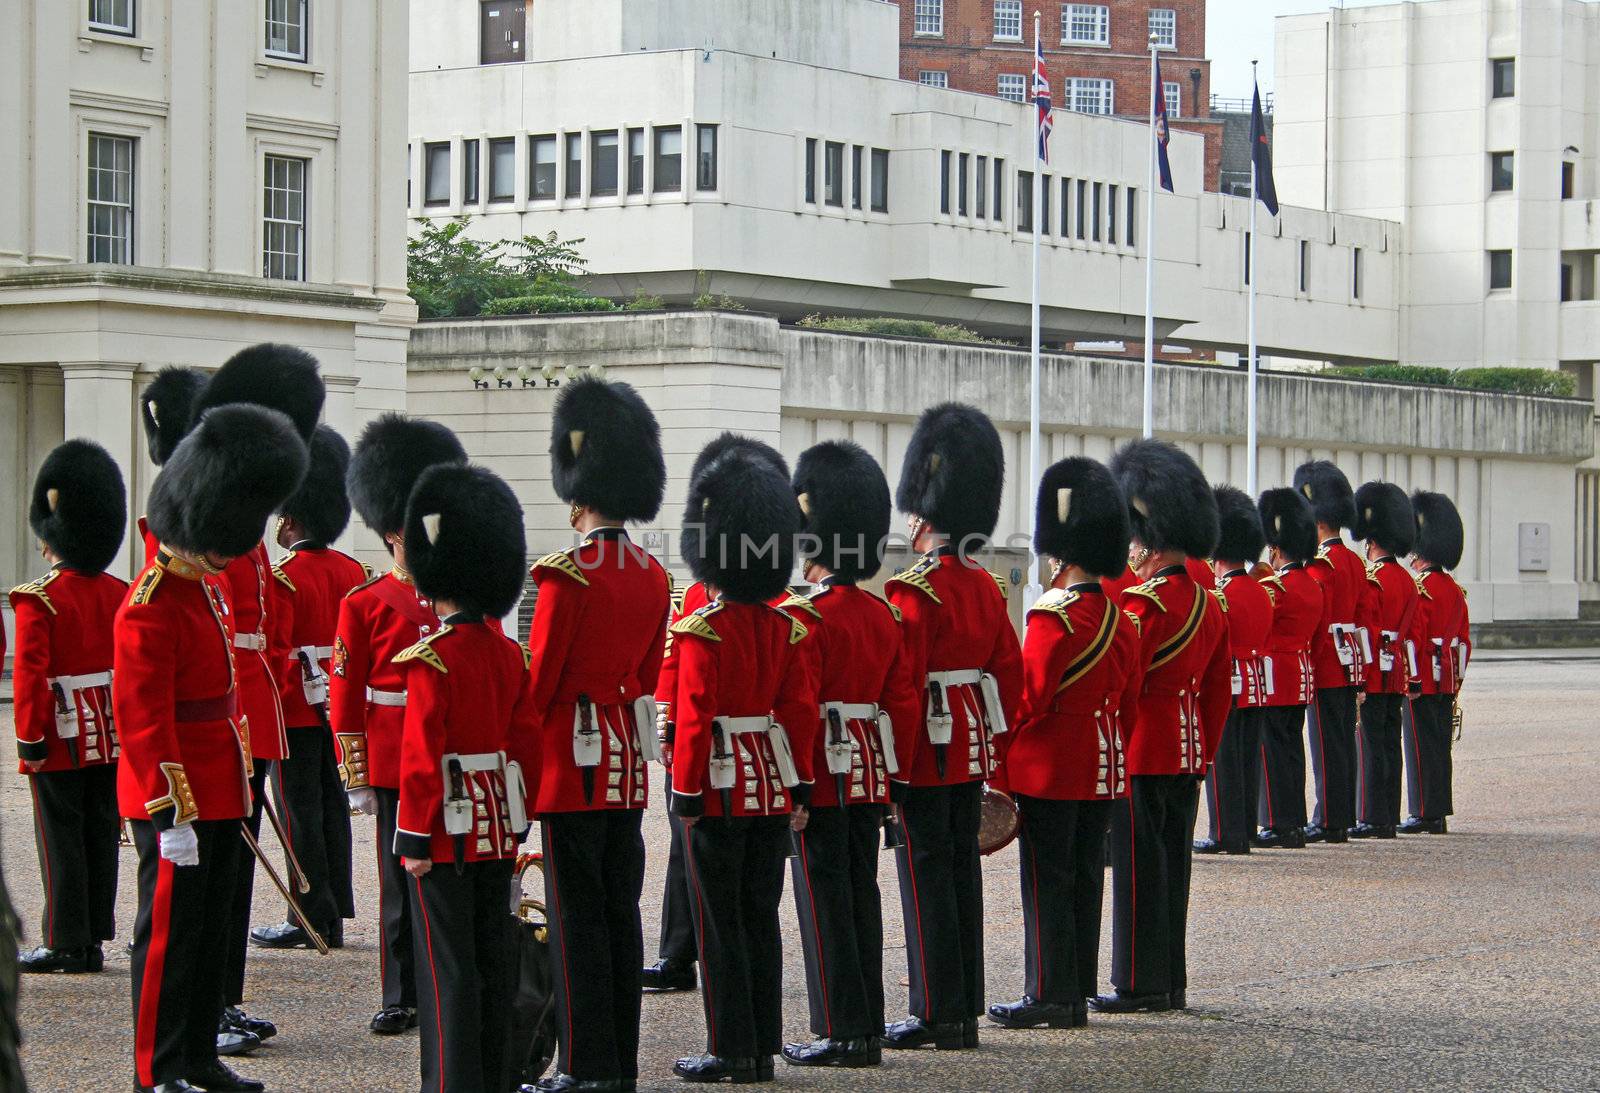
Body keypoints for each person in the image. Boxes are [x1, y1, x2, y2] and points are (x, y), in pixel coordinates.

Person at [116, 403, 309, 1093]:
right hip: (177, 796)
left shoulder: (209, 591)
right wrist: (169, 812)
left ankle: (197, 1054)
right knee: (168, 940)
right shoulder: (150, 602)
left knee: (209, 936)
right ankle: (157, 1067)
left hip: (224, 782)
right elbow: (143, 719)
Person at [522, 378, 672, 1092]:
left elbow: (540, 686)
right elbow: (645, 675)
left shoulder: (566, 576)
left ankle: (582, 1063)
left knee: (576, 921)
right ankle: (621, 1062)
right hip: (623, 768)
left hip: (567, 768)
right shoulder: (651, 575)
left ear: (577, 493)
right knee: (620, 916)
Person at [189, 345, 326, 1052]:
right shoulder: (209, 531)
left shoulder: (245, 533)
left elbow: (266, 630)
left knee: (233, 872)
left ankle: (224, 997)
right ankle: (204, 1006)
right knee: (214, 869)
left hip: (255, 711)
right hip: (230, 715)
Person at [668, 440, 817, 1084]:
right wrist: (801, 784)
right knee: (761, 918)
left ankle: (733, 1049)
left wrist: (684, 792)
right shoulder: (784, 627)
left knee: (720, 924)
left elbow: (695, 717)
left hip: (720, 791)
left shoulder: (705, 628)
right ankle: (764, 1043)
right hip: (770, 787)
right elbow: (799, 712)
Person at [393, 462, 537, 1093]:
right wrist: (517, 815)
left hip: (445, 830)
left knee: (446, 968)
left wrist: (415, 839)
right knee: (491, 957)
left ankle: (452, 1083)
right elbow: (526, 744)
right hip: (495, 823)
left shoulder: (433, 661)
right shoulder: (507, 653)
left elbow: (422, 757)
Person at [883, 403, 1022, 1052]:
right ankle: (963, 1005)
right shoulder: (988, 588)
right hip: (969, 748)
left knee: (926, 874)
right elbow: (1008, 677)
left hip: (927, 752)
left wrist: (894, 770)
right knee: (961, 871)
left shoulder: (917, 590)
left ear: (924, 511)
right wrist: (994, 749)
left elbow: (906, 693)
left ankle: (935, 1009)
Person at [779, 440, 918, 1068]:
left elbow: (803, 708)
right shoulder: (880, 613)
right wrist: (892, 777)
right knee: (862, 896)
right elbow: (902, 702)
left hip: (825, 777)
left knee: (825, 900)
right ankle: (867, 1022)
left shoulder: (807, 616)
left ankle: (841, 1029)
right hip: (868, 773)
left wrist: (797, 788)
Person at [987, 456, 1137, 1030]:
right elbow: (1124, 702)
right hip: (1100, 766)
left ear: (1061, 554)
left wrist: (999, 763)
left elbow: (1030, 700)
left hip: (1050, 767)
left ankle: (1049, 993)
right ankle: (1077, 989)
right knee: (1083, 879)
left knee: (1047, 882)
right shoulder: (1120, 620)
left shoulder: (1055, 617)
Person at [333, 414, 469, 1035]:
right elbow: (345, 693)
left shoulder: (459, 596)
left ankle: (445, 982)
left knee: (450, 873)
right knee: (396, 881)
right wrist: (356, 773)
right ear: (392, 533)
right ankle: (400, 991)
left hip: (452, 754)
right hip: (391, 755)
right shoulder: (363, 604)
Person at [643, 435, 785, 996]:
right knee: (693, 859)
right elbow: (675, 666)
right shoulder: (703, 591)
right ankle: (678, 950)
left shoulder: (750, 603)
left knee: (719, 875)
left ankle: (692, 958)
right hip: (709, 745)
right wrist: (666, 720)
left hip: (726, 752)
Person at [1092, 439, 1230, 1015]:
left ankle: (1138, 982)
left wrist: (1111, 746)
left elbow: (1121, 683)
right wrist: (1205, 753)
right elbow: (1219, 693)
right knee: (1173, 867)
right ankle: (1169, 978)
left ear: (1144, 534)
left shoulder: (1145, 606)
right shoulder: (1208, 602)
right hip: (1188, 749)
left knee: (1138, 870)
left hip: (1143, 749)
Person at [12, 440, 128, 974]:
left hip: (59, 735)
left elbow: (32, 676)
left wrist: (30, 740)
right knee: (100, 832)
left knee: (60, 837)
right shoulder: (119, 591)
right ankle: (95, 937)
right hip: (109, 732)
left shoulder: (40, 599)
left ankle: (66, 941)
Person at [253, 426, 367, 950]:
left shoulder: (284, 577)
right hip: (340, 711)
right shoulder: (353, 571)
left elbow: (276, 653)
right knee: (332, 808)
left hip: (297, 712)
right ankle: (335, 910)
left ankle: (308, 914)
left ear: (291, 519)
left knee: (301, 814)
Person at [1195, 486, 1273, 856]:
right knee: (1247, 759)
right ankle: (1245, 830)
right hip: (1258, 683)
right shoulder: (1262, 590)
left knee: (1224, 761)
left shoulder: (1219, 595)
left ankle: (1225, 833)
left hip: (1230, 682)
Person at [1294, 461, 1368, 845]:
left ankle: (1328, 819)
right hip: (1349, 661)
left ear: (1317, 519)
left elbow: (1314, 617)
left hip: (1324, 663)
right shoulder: (1356, 563)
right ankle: (1343, 814)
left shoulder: (1320, 564)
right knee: (1342, 744)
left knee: (1326, 748)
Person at [1253, 488, 1324, 850]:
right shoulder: (1312, 585)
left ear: (1277, 549)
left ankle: (1277, 823)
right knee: (1292, 751)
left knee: (1273, 753)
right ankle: (1293, 821)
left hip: (1275, 678)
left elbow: (1259, 626)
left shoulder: (1275, 586)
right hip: (1300, 675)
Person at [1350, 481, 1418, 839]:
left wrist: (1359, 674)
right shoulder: (1408, 581)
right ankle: (1388, 814)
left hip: (1375, 672)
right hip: (1397, 674)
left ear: (1371, 541)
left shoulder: (1372, 578)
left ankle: (1371, 816)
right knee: (1392, 744)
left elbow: (1366, 630)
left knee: (1372, 744)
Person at [1401, 491, 1470, 835]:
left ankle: (1424, 812)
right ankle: (1438, 810)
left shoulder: (1422, 588)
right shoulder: (1455, 591)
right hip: (1445, 679)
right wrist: (1455, 682)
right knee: (1439, 747)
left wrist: (1411, 679)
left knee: (1419, 746)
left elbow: (1414, 637)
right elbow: (1463, 643)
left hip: (1423, 679)